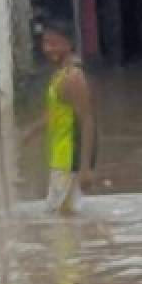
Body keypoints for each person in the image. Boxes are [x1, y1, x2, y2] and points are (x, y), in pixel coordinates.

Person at [21, 20, 95, 215]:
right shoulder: (59, 76)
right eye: (45, 43)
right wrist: (33, 131)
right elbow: (55, 115)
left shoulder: (73, 78)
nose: (48, 49)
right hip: (60, 160)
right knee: (61, 219)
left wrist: (86, 168)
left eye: (54, 43)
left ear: (68, 44)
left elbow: (87, 121)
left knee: (64, 225)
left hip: (69, 163)